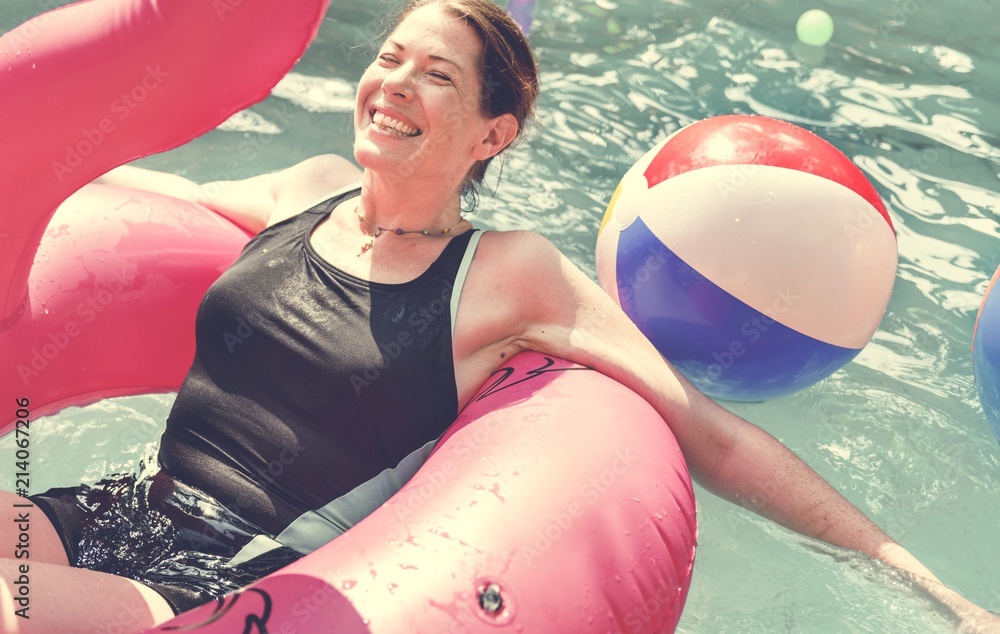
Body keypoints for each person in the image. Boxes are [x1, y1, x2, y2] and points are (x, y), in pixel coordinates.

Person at [1, 0, 997, 631]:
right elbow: (118, 177)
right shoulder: (304, 189)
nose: (392, 82)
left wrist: (926, 588)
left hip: (230, 578)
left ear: (493, 132)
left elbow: (711, 434)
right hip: (122, 504)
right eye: (389, 57)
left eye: (435, 74)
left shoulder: (505, 275)